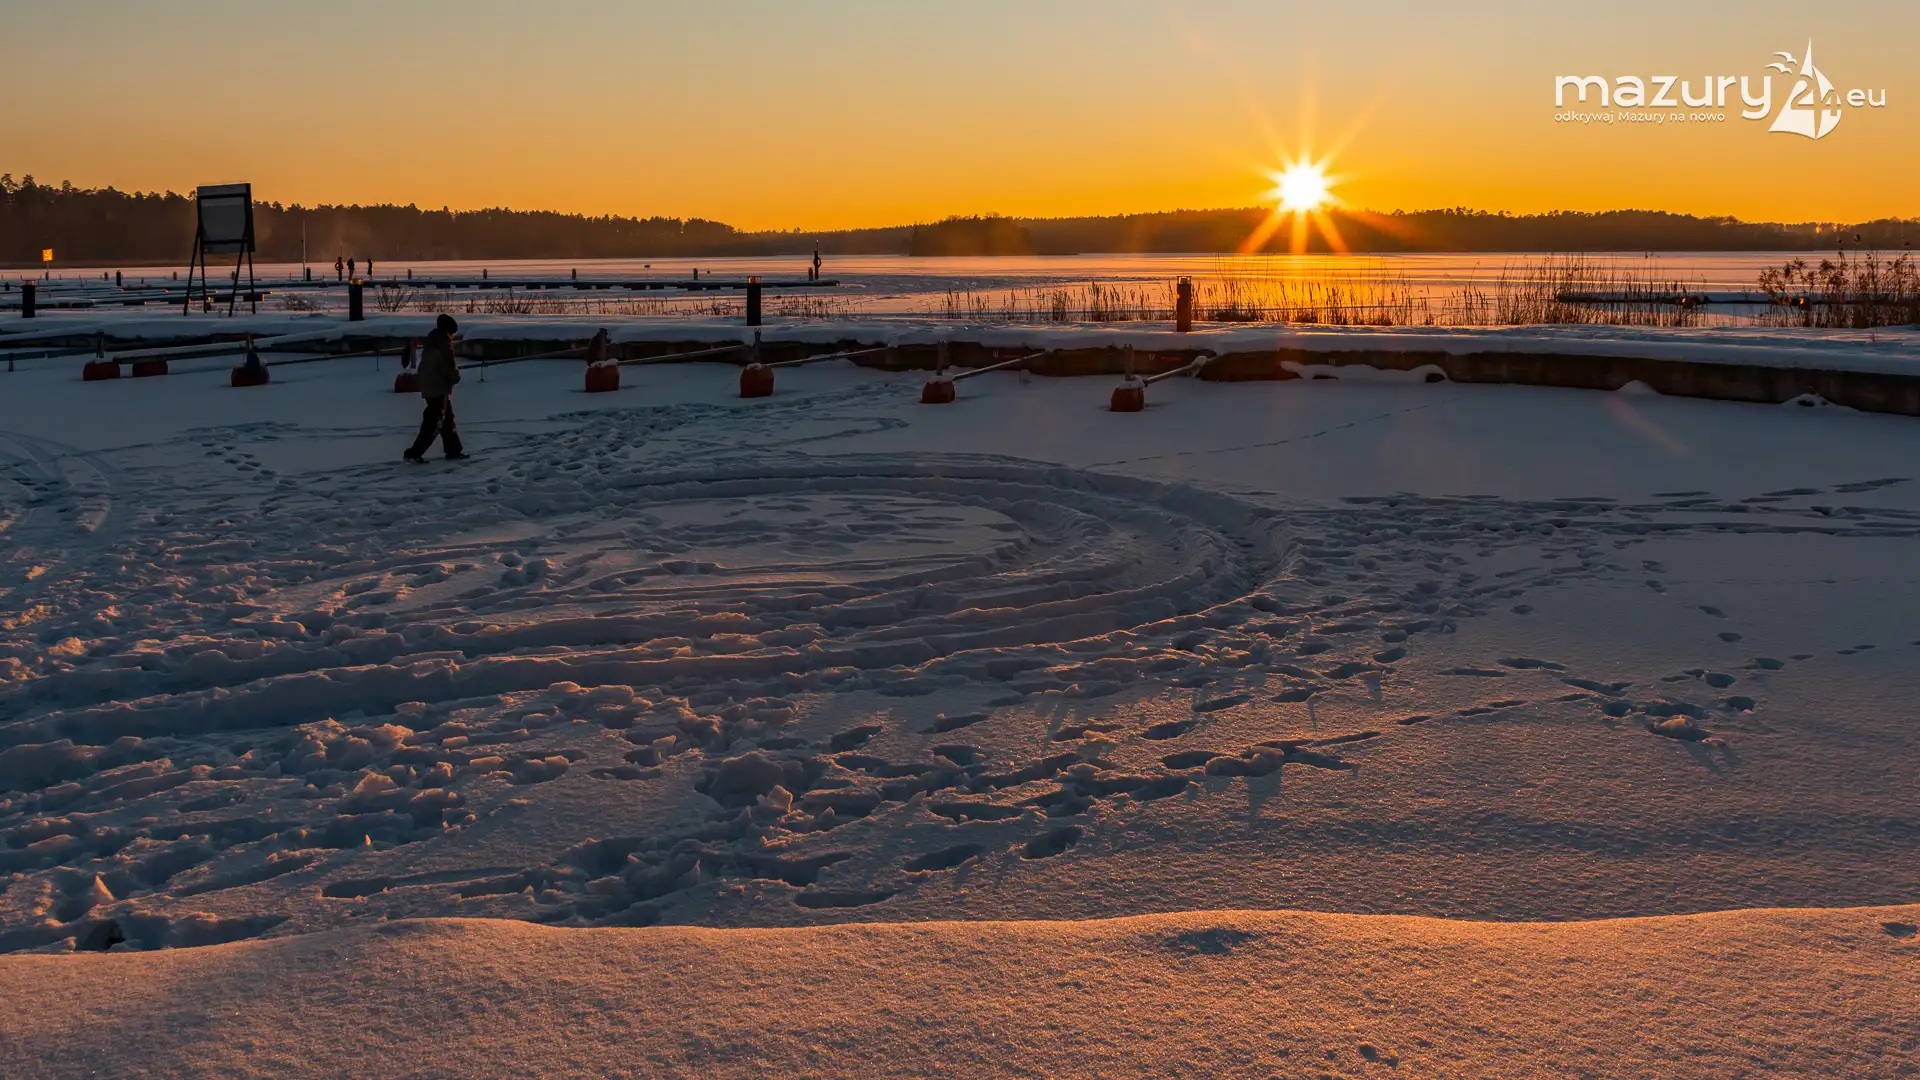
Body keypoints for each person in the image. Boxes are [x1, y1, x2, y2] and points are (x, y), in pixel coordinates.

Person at [404, 314, 468, 461]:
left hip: (430, 385)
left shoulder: (432, 340)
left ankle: (453, 450)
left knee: (447, 419)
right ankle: (415, 453)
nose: (453, 337)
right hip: (437, 387)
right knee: (434, 422)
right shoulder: (444, 346)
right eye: (452, 333)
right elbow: (450, 369)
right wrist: (456, 376)